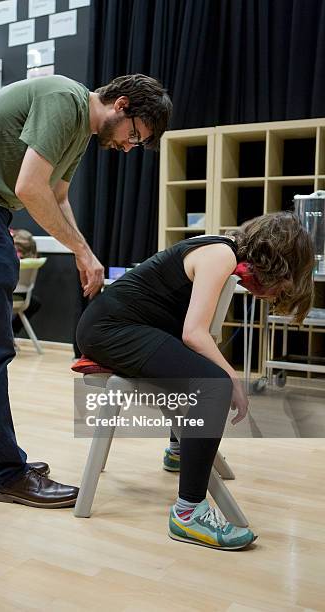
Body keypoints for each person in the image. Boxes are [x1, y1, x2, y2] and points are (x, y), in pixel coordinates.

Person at [0, 73, 172, 509]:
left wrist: (85, 253)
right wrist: (79, 249)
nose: (130, 146)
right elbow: (28, 188)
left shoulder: (80, 130)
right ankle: (7, 474)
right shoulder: (65, 101)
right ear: (121, 104)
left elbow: (56, 195)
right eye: (135, 135)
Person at [76, 212, 315, 549]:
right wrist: (232, 378)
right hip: (110, 330)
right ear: (278, 258)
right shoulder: (221, 254)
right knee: (214, 384)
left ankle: (179, 450)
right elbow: (194, 334)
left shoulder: (224, 252)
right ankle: (189, 514)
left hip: (125, 327)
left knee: (202, 373)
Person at [10, 229, 41, 339]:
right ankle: (10, 332)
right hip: (20, 299)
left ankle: (10, 332)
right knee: (34, 303)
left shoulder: (9, 255)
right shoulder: (33, 260)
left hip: (5, 297)